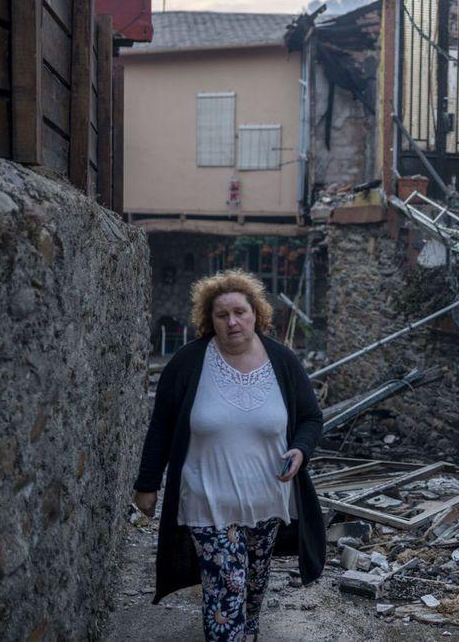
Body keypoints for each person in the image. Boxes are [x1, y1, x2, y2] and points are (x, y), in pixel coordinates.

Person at [132, 269, 326, 641]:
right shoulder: (188, 364)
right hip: (208, 497)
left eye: (240, 312)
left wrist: (300, 450)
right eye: (222, 315)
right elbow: (161, 426)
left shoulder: (282, 362)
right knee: (226, 588)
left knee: (253, 584)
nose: (232, 321)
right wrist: (147, 484)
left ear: (257, 314)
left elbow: (310, 417)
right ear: (210, 320)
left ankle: (248, 630)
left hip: (267, 497)